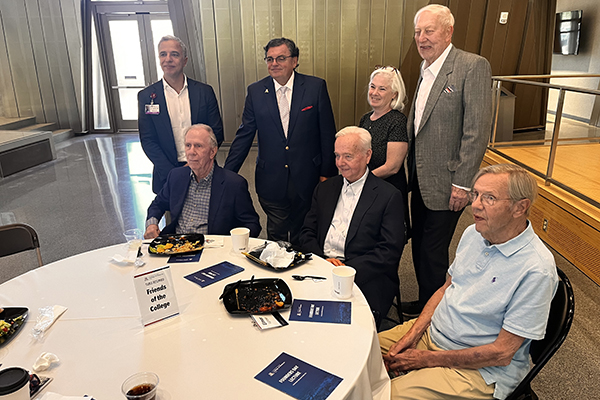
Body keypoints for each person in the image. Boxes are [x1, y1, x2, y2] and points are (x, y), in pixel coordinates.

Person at [380, 164, 558, 400]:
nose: (475, 205)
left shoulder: (537, 269)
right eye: (475, 194)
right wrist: (411, 336)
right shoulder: (474, 233)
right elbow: (446, 290)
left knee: (384, 396)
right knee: (354, 347)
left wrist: (424, 360)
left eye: (490, 198)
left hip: (479, 369)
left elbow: (501, 353)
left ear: (520, 207)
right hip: (435, 334)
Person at [404, 4, 492, 317]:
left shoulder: (472, 66)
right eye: (417, 32)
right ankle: (428, 300)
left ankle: (435, 315)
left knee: (433, 250)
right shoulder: (425, 68)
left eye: (429, 30)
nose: (421, 38)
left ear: (448, 32)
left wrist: (463, 183)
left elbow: (476, 132)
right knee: (419, 247)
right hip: (420, 177)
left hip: (449, 181)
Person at [224, 37, 337, 246]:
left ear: (294, 61)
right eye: (269, 59)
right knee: (276, 234)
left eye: (281, 58)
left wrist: (327, 173)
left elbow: (327, 132)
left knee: (303, 232)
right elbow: (245, 134)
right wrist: (226, 174)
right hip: (271, 178)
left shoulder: (315, 87)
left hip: (307, 177)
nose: (274, 64)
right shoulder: (256, 92)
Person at [300, 127, 405, 322]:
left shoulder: (388, 196)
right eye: (337, 156)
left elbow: (389, 251)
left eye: (348, 156)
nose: (340, 163)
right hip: (321, 265)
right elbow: (307, 232)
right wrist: (323, 262)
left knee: (343, 324)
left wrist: (345, 269)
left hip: (363, 274)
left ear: (367, 155)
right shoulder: (324, 188)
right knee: (297, 312)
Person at [138, 35, 224, 194]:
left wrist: (195, 164)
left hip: (203, 169)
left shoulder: (204, 92)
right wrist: (173, 173)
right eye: (163, 54)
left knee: (209, 215)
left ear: (184, 60)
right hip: (166, 174)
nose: (168, 59)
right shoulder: (146, 96)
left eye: (174, 54)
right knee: (173, 216)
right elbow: (148, 140)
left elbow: (216, 132)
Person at [144, 124, 260, 239]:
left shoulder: (233, 184)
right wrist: (152, 224)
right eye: (188, 145)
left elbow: (252, 224)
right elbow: (157, 205)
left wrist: (234, 242)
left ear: (212, 152)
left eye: (198, 146)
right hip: (177, 246)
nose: (191, 151)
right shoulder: (176, 176)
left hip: (212, 249)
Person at [358, 65, 409, 237]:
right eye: (372, 87)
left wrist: (361, 180)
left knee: (386, 242)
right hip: (367, 190)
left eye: (382, 89)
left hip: (387, 192)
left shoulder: (397, 121)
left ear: (394, 94)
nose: (375, 92)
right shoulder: (365, 119)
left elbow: (392, 167)